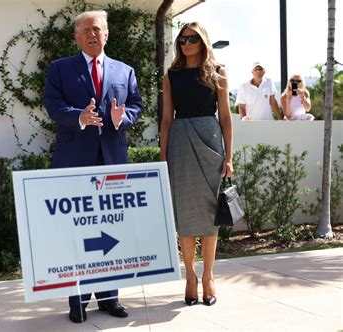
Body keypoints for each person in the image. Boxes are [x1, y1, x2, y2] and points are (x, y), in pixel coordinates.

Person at [44, 10, 142, 323]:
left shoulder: (124, 71)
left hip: (113, 159)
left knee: (111, 231)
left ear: (107, 34)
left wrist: (121, 119)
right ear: (76, 36)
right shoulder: (60, 69)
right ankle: (78, 302)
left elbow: (136, 105)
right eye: (85, 30)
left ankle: (110, 299)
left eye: (97, 29)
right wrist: (79, 118)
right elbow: (53, 105)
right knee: (79, 232)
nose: (92, 35)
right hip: (74, 162)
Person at [160, 22, 233, 307]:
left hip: (211, 144)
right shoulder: (171, 75)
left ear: (203, 41)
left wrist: (229, 156)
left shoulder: (218, 74)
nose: (186, 43)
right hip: (180, 143)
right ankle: (190, 276)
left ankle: (209, 277)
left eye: (192, 39)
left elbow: (226, 118)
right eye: (182, 39)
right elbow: (166, 120)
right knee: (186, 216)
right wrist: (163, 156)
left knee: (210, 216)